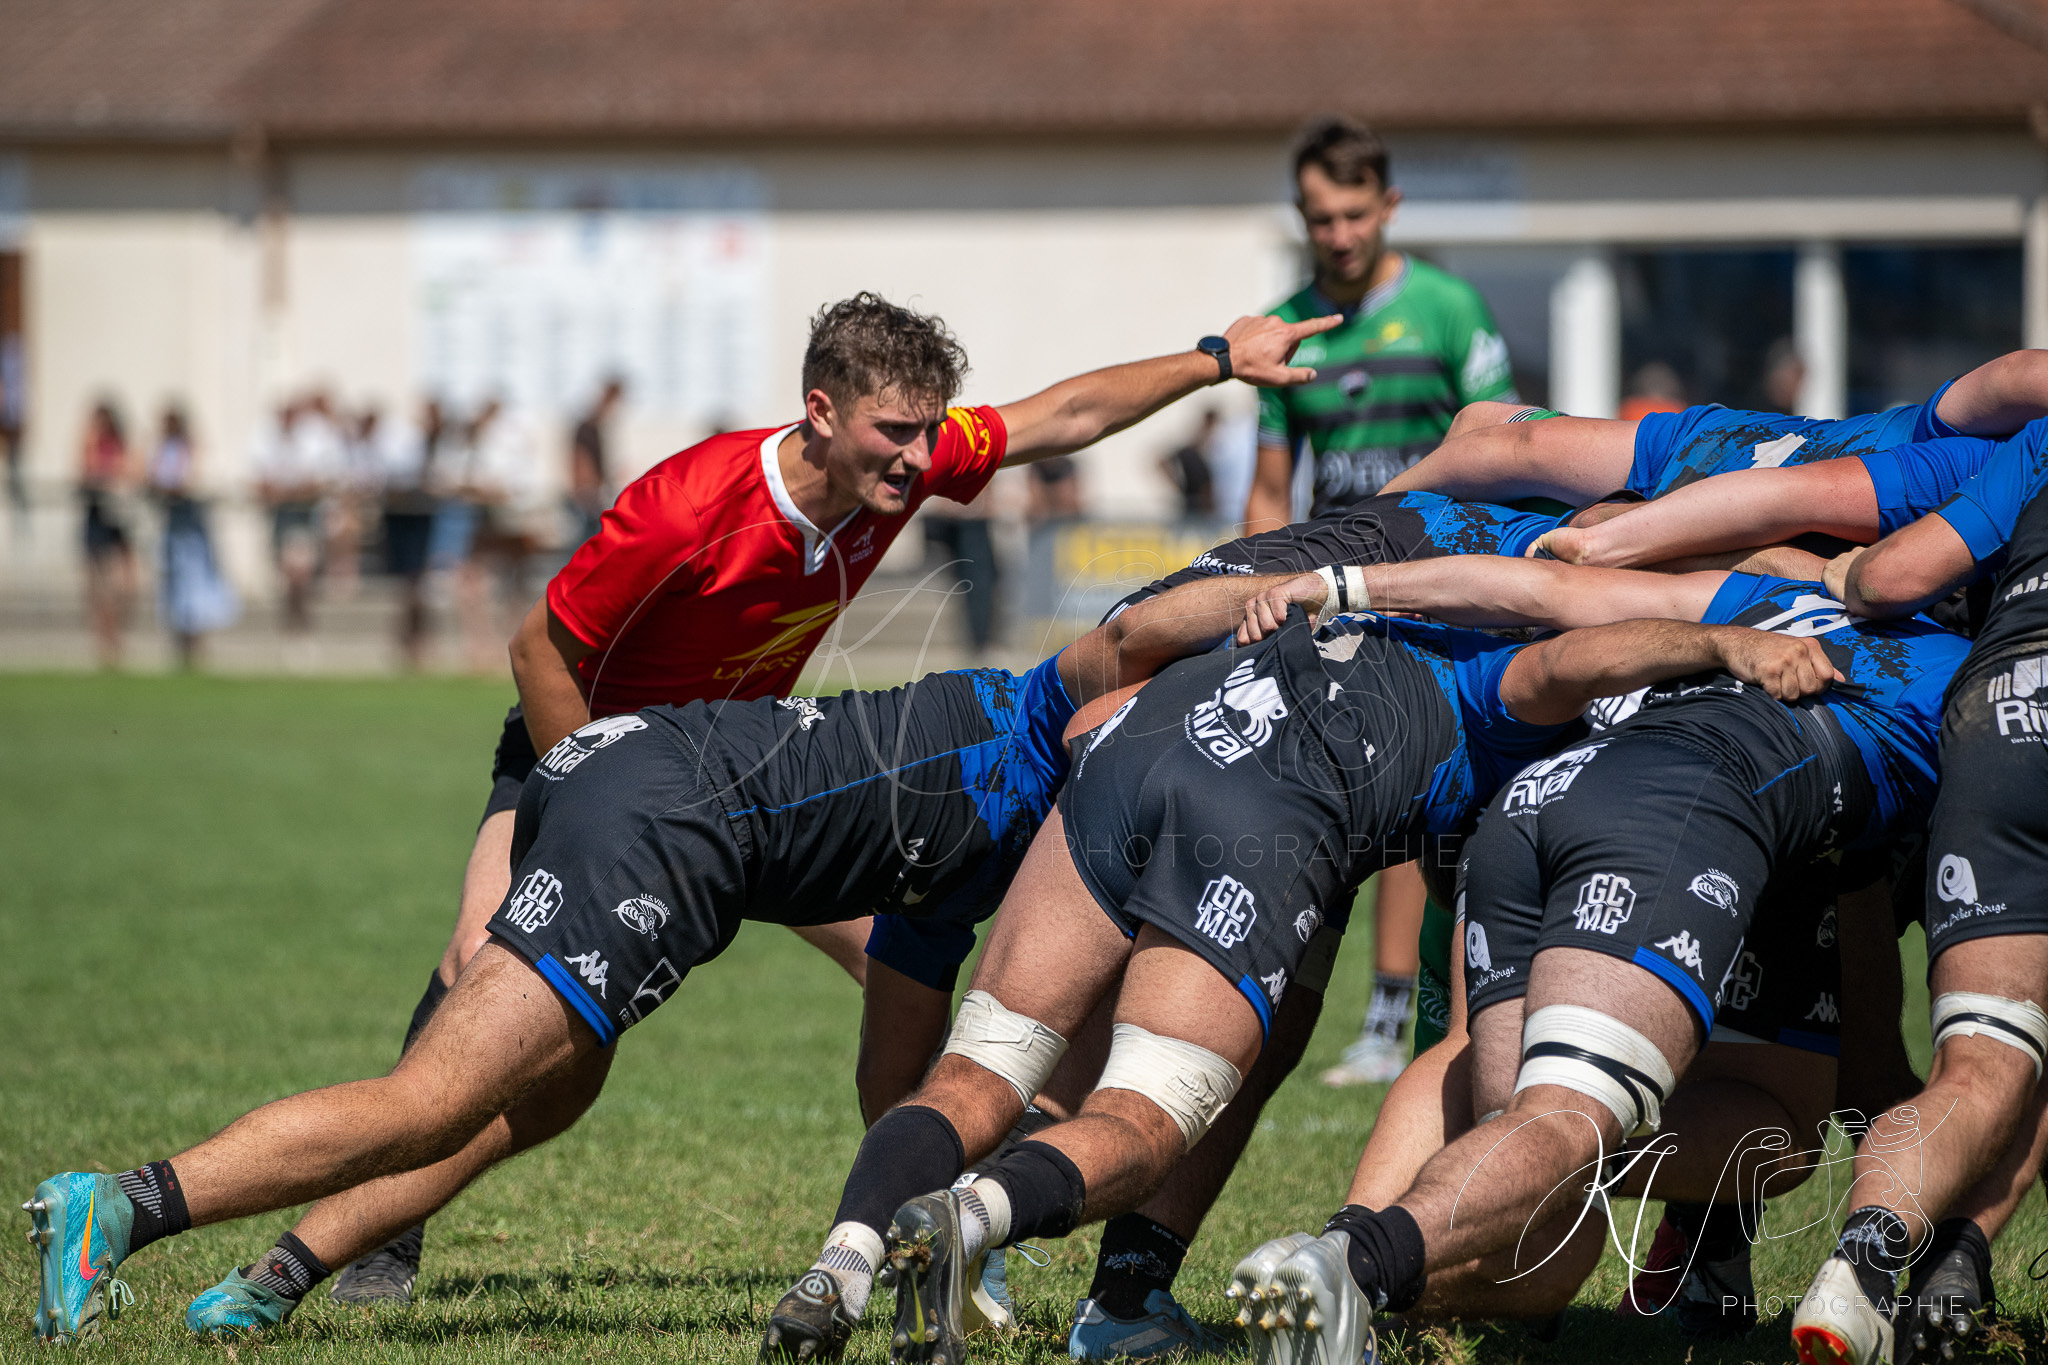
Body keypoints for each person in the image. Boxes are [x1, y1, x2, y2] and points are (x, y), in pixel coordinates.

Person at [314, 293, 1339, 1306]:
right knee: (475, 970)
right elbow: (539, 645)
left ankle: (922, 1233)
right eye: (897, 431)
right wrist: (586, 792)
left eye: (927, 430)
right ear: (819, 411)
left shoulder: (899, 453)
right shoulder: (691, 503)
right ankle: (380, 1241)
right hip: (588, 760)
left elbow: (1057, 417)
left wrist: (1214, 357)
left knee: (911, 977)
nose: (918, 454)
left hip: (754, 779)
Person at [18, 568, 1287, 1345]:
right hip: (664, 820)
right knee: (441, 1093)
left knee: (538, 1101)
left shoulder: (989, 864)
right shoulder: (1030, 717)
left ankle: (272, 1280)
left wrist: (939, 1235)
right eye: (1147, 709)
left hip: (654, 801)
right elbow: (1137, 629)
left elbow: (900, 1092)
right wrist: (1294, 597)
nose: (1146, 741)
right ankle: (117, 1209)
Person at [1220, 552, 1969, 1365]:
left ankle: (1330, 1273)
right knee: (1586, 1130)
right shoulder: (1956, 662)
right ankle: (1355, 1262)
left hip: (1535, 797)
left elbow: (1551, 571)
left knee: (1543, 1225)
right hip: (1682, 810)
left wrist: (1342, 583)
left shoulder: (1751, 580)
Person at [1243, 118, 1516, 1090]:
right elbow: (1270, 489)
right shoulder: (1283, 331)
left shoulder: (1447, 309)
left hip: (1436, 593)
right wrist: (1250, 581)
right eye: (1320, 216)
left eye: (1354, 213)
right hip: (1326, 595)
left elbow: (1506, 447)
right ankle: (1272, 1005)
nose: (1339, 233)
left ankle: (1394, 1016)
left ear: (1387, 207)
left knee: (1424, 810)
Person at [1780, 431, 2048, 1365]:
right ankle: (1961, 1247)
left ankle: (1870, 1261)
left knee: (1984, 1062)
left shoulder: (2041, 438)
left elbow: (1893, 575)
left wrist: (1839, 568)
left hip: (1999, 714)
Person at [1382, 346, 2048, 509]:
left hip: (1698, 494)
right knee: (1484, 426)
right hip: (1705, 443)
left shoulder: (1981, 491)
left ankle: (1349, 544)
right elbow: (2016, 375)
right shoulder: (1952, 433)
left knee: (1505, 449)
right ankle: (1359, 532)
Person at [146, 404, 237, 669]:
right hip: (172, 528)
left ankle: (198, 647)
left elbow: (190, 481)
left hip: (192, 530)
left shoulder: (193, 448)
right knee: (174, 588)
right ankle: (179, 647)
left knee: (196, 588)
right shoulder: (160, 449)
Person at [378, 399, 450, 671]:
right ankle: (409, 640)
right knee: (410, 582)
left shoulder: (440, 447)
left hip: (425, 517)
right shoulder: (407, 442)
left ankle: (415, 639)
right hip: (406, 518)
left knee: (419, 582)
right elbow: (397, 479)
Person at [77, 399, 135, 668]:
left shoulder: (121, 444)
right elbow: (86, 472)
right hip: (96, 520)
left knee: (122, 585)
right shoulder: (89, 442)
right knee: (98, 587)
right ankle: (103, 643)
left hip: (118, 520)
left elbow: (131, 471)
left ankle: (115, 637)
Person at [568, 376, 625, 546]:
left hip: (593, 495)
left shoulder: (598, 427)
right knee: (585, 547)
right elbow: (581, 461)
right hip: (588, 497)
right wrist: (589, 491)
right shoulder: (587, 428)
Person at [1159, 410, 1217, 520]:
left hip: (1204, 511)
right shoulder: (1190, 453)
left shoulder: (1208, 453)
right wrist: (1178, 486)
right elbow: (1162, 462)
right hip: (1197, 512)